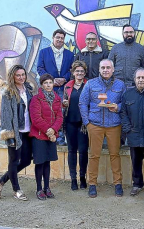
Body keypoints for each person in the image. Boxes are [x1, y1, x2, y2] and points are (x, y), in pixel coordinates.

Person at [79, 59, 126, 198]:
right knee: (94, 155)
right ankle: (92, 184)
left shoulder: (120, 84)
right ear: (99, 69)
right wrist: (87, 122)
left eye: (108, 68)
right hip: (95, 124)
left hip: (114, 125)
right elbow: (82, 103)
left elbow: (125, 102)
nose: (105, 70)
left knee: (115, 155)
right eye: (103, 68)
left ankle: (118, 183)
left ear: (113, 70)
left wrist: (118, 107)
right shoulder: (91, 84)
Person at [0, 65, 34, 201]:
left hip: (27, 130)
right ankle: (16, 190)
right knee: (14, 161)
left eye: (23, 74)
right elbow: (5, 115)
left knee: (27, 160)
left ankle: (1, 180)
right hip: (16, 132)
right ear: (13, 76)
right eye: (18, 75)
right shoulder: (8, 92)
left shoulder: (28, 89)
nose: (21, 77)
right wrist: (9, 136)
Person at [120, 68, 144, 196]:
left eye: (143, 78)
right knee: (135, 161)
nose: (141, 80)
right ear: (134, 79)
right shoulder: (127, 94)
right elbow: (123, 113)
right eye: (138, 78)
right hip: (133, 133)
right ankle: (137, 184)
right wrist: (127, 129)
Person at [37, 29, 74, 145]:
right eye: (57, 37)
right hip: (48, 88)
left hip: (63, 88)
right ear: (53, 38)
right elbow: (40, 68)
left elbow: (71, 70)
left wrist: (64, 79)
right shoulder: (44, 52)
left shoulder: (70, 54)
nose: (59, 40)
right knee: (47, 112)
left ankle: (61, 138)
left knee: (61, 113)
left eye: (62, 38)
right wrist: (52, 80)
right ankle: (48, 136)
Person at [29, 73, 63, 200]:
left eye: (50, 82)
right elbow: (36, 118)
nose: (48, 85)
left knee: (47, 162)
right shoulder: (36, 99)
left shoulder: (57, 98)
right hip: (39, 136)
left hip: (51, 135)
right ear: (42, 85)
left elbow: (59, 117)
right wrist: (49, 131)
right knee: (40, 163)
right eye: (46, 83)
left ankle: (47, 188)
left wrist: (53, 130)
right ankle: (39, 189)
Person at [62, 61, 89, 191]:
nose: (79, 73)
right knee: (72, 151)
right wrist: (64, 104)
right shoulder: (67, 86)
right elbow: (63, 103)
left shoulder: (88, 85)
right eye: (77, 71)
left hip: (84, 123)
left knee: (83, 151)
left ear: (85, 73)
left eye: (82, 71)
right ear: (73, 73)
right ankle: (73, 179)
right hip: (70, 122)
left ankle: (83, 177)